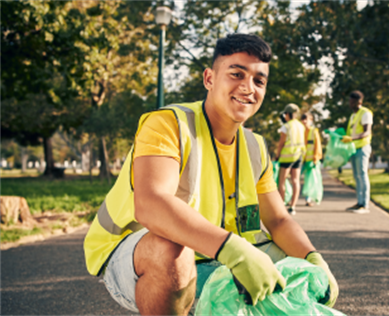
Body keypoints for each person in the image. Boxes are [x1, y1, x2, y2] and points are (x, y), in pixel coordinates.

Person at [83, 33, 338, 315]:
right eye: (236, 74)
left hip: (215, 256)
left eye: (259, 80)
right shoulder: (169, 125)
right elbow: (150, 203)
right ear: (209, 79)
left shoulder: (255, 146)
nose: (248, 87)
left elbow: (277, 220)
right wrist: (235, 252)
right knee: (171, 248)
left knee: (298, 281)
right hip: (134, 255)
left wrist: (313, 260)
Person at [341, 90, 373, 214]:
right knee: (356, 176)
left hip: (362, 147)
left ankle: (365, 205)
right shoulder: (353, 115)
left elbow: (367, 132)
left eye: (352, 101)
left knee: (362, 175)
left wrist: (352, 138)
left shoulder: (365, 113)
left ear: (359, 102)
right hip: (353, 148)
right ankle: (359, 202)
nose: (350, 103)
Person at [275, 103, 305, 215]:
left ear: (287, 114)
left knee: (281, 181)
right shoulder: (301, 126)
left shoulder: (286, 126)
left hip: (287, 157)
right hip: (298, 156)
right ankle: (293, 206)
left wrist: (277, 155)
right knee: (296, 181)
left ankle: (281, 206)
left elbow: (281, 143)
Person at [300, 112, 323, 206]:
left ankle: (308, 200)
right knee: (297, 180)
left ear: (311, 120)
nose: (304, 121)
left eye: (306, 119)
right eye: (303, 118)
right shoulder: (301, 131)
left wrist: (315, 159)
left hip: (312, 161)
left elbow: (317, 146)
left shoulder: (314, 131)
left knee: (310, 181)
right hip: (302, 160)